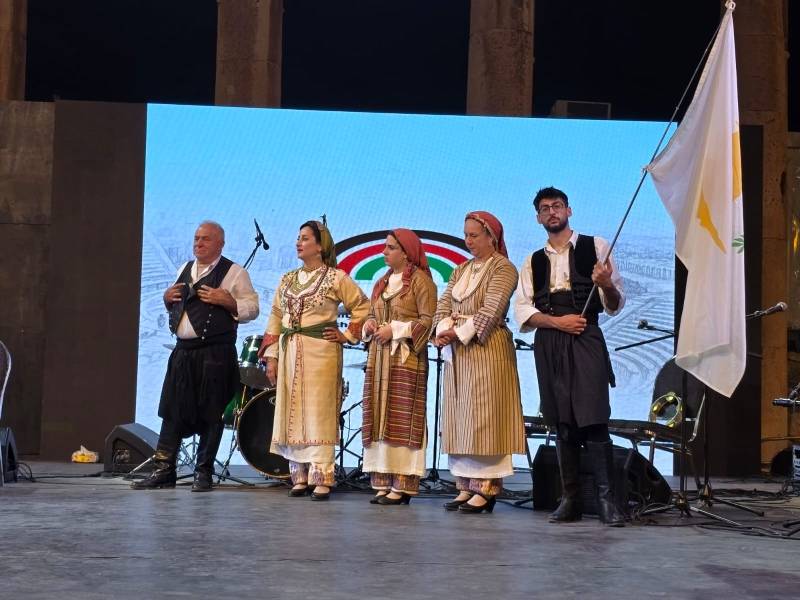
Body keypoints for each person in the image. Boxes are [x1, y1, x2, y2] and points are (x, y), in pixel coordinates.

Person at [513, 186, 626, 526]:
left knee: (593, 416)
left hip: (585, 335)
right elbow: (523, 310)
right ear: (538, 217)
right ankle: (571, 499)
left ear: (569, 210)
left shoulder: (596, 246)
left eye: (557, 206)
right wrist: (557, 322)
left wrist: (605, 283)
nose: (552, 212)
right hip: (551, 340)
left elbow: (615, 304)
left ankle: (606, 500)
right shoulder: (533, 260)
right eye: (545, 208)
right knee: (561, 419)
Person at [132, 221, 259, 492]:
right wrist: (167, 298)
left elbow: (253, 309)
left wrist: (228, 301)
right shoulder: (184, 269)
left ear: (220, 244)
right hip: (183, 353)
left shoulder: (235, 273)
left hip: (216, 353)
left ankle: (204, 472)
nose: (198, 243)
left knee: (212, 412)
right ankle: (164, 470)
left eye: (205, 239)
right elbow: (180, 306)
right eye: (196, 238)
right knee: (172, 410)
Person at [258, 220, 370, 501]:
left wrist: (347, 335)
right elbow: (275, 317)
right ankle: (299, 475)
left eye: (305, 238)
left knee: (317, 411)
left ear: (320, 246)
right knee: (292, 411)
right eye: (298, 238)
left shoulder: (335, 278)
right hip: (290, 351)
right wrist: (272, 356)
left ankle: (322, 476)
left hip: (321, 352)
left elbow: (362, 306)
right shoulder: (287, 279)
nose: (299, 242)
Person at [433, 211, 526, 514]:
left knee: (486, 416)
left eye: (474, 235)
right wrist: (440, 329)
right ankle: (465, 484)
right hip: (458, 352)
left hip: (487, 348)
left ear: (491, 237)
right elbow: (444, 303)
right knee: (461, 417)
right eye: (466, 235)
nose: (468, 241)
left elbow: (492, 309)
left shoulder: (504, 268)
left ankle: (486, 488)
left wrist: (457, 332)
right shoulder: (460, 269)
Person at [361, 229, 437, 505]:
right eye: (385, 246)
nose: (384, 252)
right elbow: (372, 313)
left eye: (391, 247)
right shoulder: (381, 282)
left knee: (403, 416)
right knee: (378, 415)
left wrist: (395, 330)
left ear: (406, 253)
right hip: (380, 359)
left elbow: (428, 321)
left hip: (406, 359)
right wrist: (370, 324)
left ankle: (403, 481)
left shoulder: (421, 282)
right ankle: (383, 478)